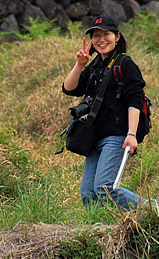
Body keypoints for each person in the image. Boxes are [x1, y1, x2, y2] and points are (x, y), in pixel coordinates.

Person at [62, 15, 152, 210]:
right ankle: (99, 230)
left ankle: (157, 211)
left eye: (106, 34)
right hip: (95, 136)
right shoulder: (95, 65)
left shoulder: (125, 64)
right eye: (96, 35)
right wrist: (80, 64)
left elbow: (134, 101)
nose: (101, 39)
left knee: (105, 188)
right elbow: (69, 88)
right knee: (88, 193)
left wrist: (131, 134)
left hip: (117, 135)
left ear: (117, 36)